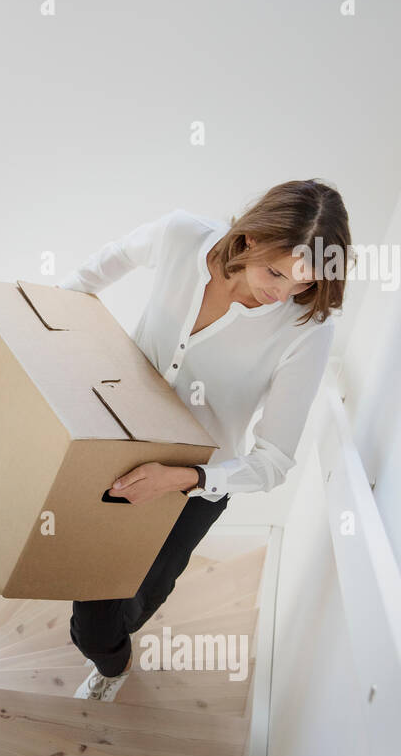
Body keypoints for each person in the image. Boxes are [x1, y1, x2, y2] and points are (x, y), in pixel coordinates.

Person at [61, 179, 350, 700]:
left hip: (193, 486)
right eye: (276, 272)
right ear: (250, 240)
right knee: (85, 595)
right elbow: (99, 267)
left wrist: (185, 479)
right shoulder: (181, 237)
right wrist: (57, 325)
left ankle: (113, 667)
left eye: (303, 283)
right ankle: (108, 650)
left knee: (112, 619)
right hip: (115, 442)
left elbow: (274, 459)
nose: (283, 293)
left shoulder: (308, 327)